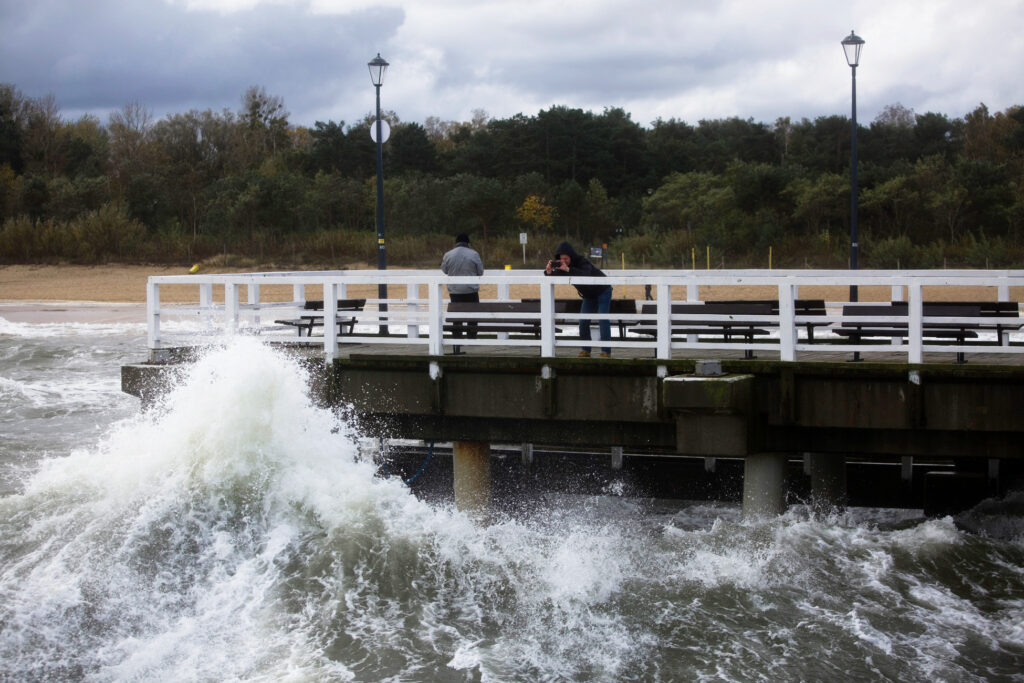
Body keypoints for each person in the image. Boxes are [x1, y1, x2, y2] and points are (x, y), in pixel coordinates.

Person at [544, 241, 612, 357]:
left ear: (571, 256)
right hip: (588, 295)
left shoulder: (582, 261)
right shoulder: (564, 267)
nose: (564, 261)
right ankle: (586, 350)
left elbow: (585, 274)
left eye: (566, 258)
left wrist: (568, 270)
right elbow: (556, 275)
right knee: (583, 321)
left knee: (602, 319)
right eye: (561, 259)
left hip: (603, 290)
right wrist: (549, 272)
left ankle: (606, 351)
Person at [440, 233, 484, 338]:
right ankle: (471, 337)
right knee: (473, 315)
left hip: (455, 290)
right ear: (468, 243)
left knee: (456, 315)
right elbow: (480, 272)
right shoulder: (474, 254)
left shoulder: (448, 254)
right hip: (470, 289)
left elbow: (444, 270)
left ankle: (457, 337)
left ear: (456, 243)